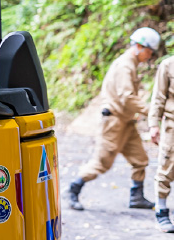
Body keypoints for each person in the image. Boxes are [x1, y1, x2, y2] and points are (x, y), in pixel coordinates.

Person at [68, 27, 161, 211]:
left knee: (140, 159)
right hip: (114, 122)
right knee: (101, 163)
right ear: (140, 47)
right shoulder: (125, 65)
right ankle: (73, 189)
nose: (149, 57)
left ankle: (137, 197)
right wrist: (151, 110)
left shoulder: (131, 63)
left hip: (127, 122)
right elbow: (126, 97)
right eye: (149, 52)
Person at [149, 54, 174, 233]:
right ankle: (161, 211)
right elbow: (158, 97)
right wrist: (153, 124)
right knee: (167, 168)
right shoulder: (168, 65)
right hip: (172, 126)